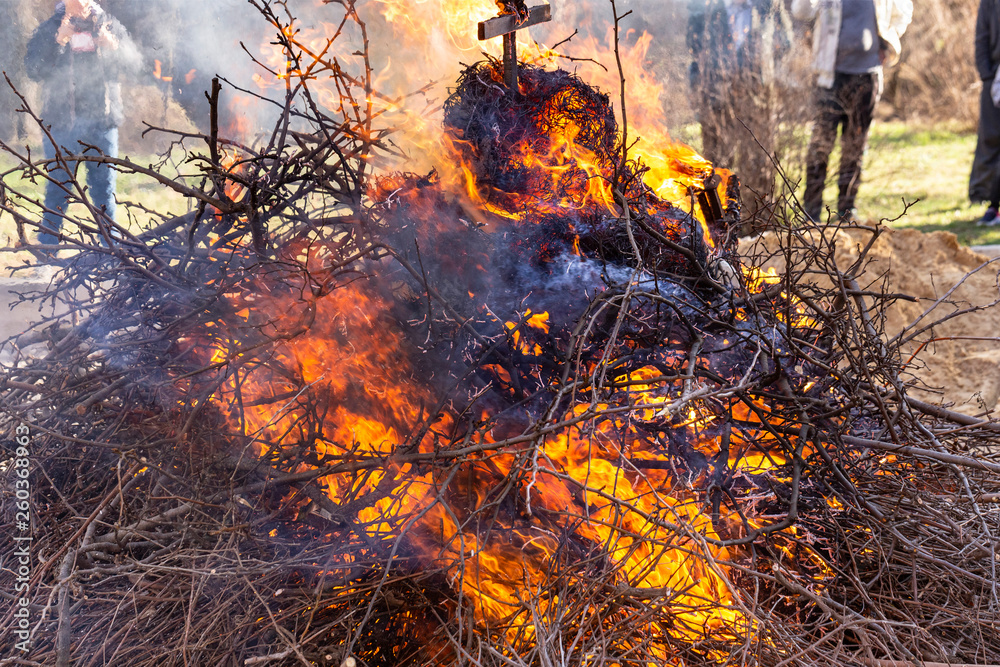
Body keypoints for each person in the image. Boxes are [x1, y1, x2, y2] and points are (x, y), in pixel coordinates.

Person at [24, 0, 140, 246]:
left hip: (103, 123)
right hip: (61, 123)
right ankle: (47, 252)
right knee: (57, 190)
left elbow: (136, 67)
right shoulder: (50, 27)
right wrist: (59, 40)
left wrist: (113, 46)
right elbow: (33, 70)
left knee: (104, 193)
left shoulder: (109, 24)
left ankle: (110, 256)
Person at [792, 0, 911, 222]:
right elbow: (801, 10)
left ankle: (847, 211)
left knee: (855, 144)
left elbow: (904, 11)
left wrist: (888, 42)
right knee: (821, 143)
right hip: (829, 75)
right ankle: (811, 211)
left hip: (867, 75)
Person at [687, 0, 793, 223]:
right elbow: (693, 49)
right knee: (715, 165)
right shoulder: (706, 8)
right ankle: (716, 228)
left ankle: (758, 224)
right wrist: (701, 91)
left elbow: (785, 42)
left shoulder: (767, 6)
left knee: (758, 164)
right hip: (716, 99)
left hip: (757, 99)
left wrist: (761, 62)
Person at [971, 0, 1000, 224]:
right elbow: (981, 38)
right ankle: (987, 199)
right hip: (995, 78)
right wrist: (987, 75)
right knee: (991, 137)